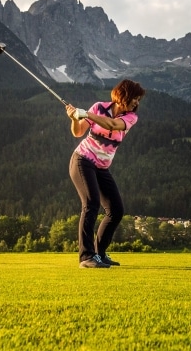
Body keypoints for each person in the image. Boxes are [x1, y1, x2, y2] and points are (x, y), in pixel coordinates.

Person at [66, 79, 146, 268]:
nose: (137, 103)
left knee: (116, 210)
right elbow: (78, 133)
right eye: (135, 98)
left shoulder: (130, 118)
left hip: (101, 167)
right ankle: (86, 257)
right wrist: (74, 119)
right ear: (123, 95)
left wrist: (86, 114)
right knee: (91, 203)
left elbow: (111, 124)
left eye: (138, 100)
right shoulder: (98, 107)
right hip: (82, 160)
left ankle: (99, 254)